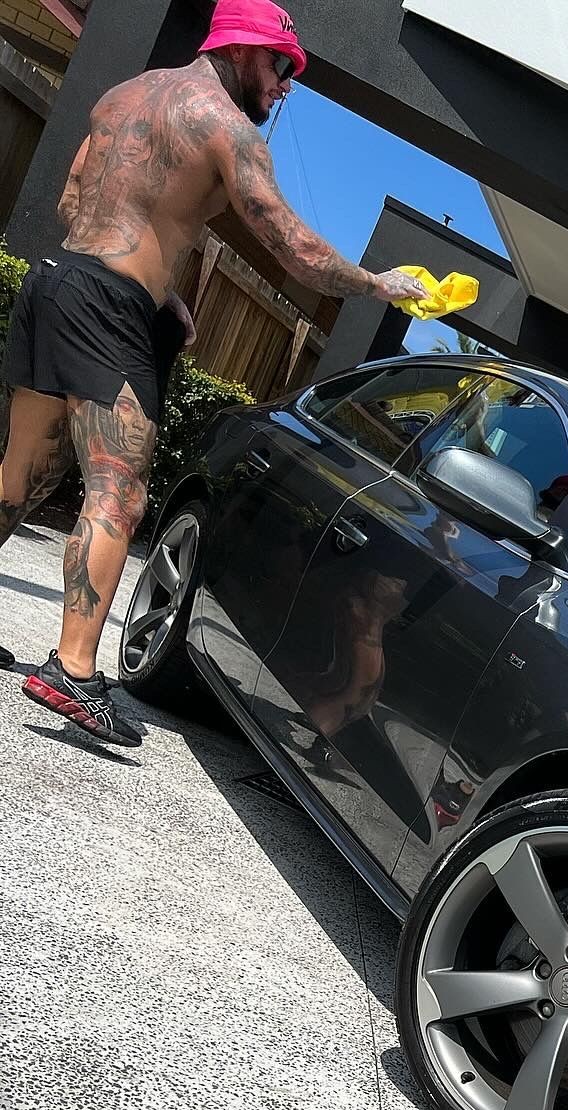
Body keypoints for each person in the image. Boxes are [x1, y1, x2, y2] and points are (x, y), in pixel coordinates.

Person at [0, 1, 426, 746]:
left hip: (56, 279)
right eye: (279, 64)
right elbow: (296, 249)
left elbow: (74, 195)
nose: (285, 83)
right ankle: (72, 669)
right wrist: (376, 284)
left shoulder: (122, 97)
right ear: (240, 49)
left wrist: (156, 291)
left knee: (17, 472)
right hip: (107, 312)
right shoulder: (226, 129)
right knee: (118, 487)